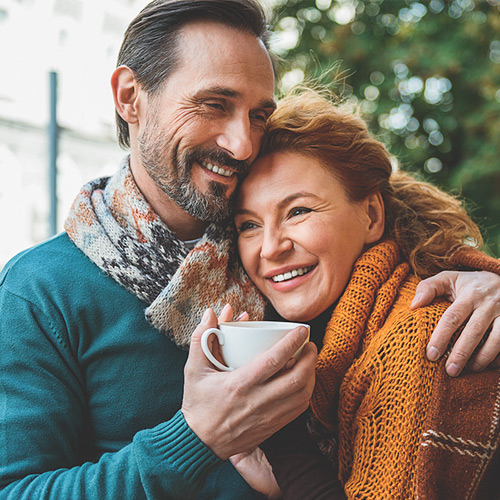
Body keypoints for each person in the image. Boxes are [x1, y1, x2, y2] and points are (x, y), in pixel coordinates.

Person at [0, 0, 499, 498]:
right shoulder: (41, 290)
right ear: (130, 97)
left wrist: (481, 278)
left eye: (258, 115)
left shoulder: (289, 275)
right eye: (214, 104)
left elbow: (391, 231)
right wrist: (195, 439)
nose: (242, 145)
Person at [232, 89, 500, 498]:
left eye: (298, 211)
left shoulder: (419, 337)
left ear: (372, 215)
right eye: (248, 225)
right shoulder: (339, 336)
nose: (270, 247)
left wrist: (283, 447)